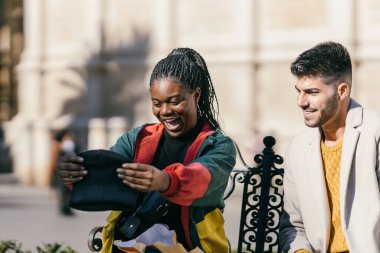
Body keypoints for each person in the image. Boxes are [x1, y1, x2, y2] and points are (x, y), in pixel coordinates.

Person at [58, 48, 237, 253]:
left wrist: (165, 181)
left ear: (196, 95)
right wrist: (77, 175)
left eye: (174, 101)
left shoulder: (218, 146)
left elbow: (203, 178)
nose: (165, 111)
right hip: (128, 245)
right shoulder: (138, 138)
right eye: (157, 103)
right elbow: (107, 175)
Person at [279, 41, 380, 252]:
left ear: (342, 91)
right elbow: (293, 225)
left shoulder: (375, 132)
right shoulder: (297, 148)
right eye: (299, 91)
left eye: (312, 92)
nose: (301, 101)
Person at [49, 128, 80, 216]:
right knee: (63, 190)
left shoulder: (71, 144)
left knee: (69, 190)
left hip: (70, 170)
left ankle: (67, 208)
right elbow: (54, 158)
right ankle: (64, 208)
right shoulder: (58, 145)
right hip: (62, 170)